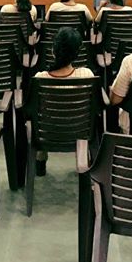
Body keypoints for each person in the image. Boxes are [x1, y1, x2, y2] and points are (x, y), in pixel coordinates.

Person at [34, 27, 94, 174]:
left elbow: (31, 110)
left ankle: (41, 157)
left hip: (46, 132)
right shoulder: (87, 75)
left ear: (53, 51)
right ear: (77, 54)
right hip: (80, 131)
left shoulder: (40, 78)